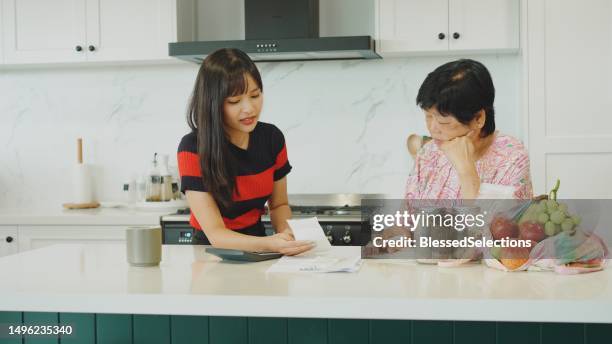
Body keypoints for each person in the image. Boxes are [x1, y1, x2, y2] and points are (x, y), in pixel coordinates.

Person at [177, 48, 313, 255]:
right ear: (213, 104)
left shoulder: (272, 138)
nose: (249, 108)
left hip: (258, 243)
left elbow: (279, 205)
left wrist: (286, 233)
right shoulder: (192, 148)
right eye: (234, 101)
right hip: (210, 251)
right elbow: (216, 234)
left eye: (255, 95)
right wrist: (270, 244)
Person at [405, 59, 533, 200]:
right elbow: (406, 218)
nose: (432, 129)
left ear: (478, 118)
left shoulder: (512, 158)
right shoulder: (428, 152)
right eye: (428, 116)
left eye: (443, 121)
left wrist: (465, 170)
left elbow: (499, 221)